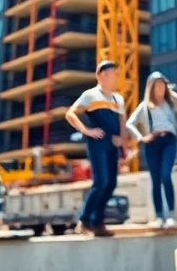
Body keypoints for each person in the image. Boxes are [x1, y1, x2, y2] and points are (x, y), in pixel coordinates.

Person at [65, 60, 126, 238]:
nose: (115, 76)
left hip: (112, 145)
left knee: (111, 184)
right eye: (113, 72)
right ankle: (84, 221)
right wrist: (85, 130)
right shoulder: (90, 95)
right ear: (102, 75)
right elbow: (70, 113)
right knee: (101, 182)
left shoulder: (118, 98)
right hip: (97, 142)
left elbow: (122, 123)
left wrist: (123, 145)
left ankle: (98, 223)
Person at [125, 70, 177, 229]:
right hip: (152, 143)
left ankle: (171, 215)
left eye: (162, 86)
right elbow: (129, 124)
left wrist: (171, 92)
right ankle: (159, 216)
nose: (160, 89)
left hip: (169, 141)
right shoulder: (145, 106)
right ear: (151, 88)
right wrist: (140, 138)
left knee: (166, 175)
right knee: (156, 180)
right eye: (157, 86)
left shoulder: (170, 103)